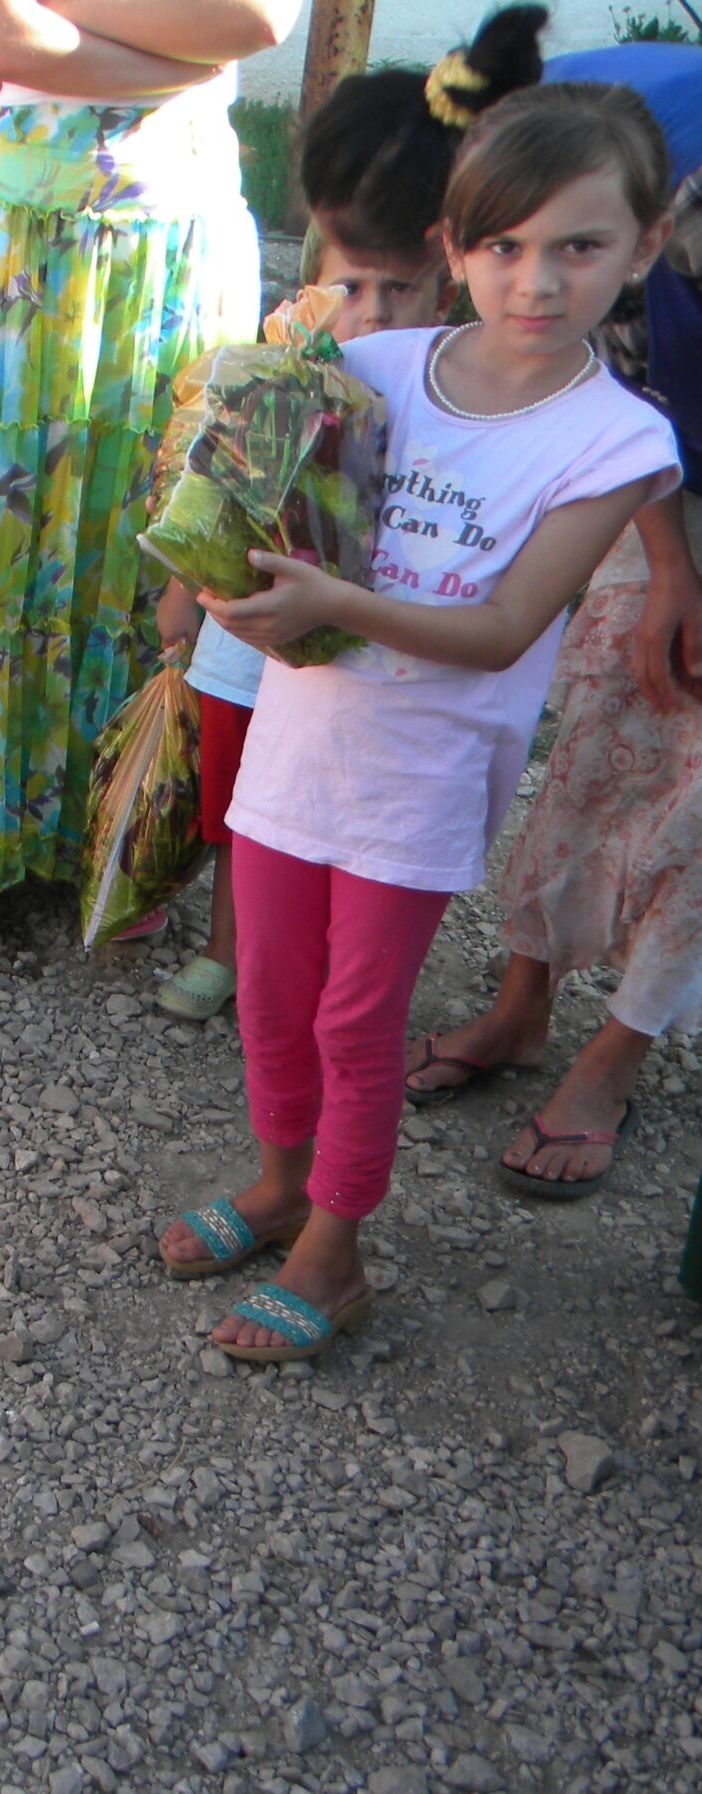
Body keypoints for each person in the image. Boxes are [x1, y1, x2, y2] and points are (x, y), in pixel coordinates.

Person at [158, 83, 680, 1365]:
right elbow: (261, 514)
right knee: (272, 998)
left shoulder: (616, 439)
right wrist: (213, 573)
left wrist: (341, 599)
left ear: (645, 248)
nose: (537, 281)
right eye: (502, 246)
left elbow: (505, 628)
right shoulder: (371, 366)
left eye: (579, 247)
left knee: (355, 1015)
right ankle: (278, 1182)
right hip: (295, 747)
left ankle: (334, 1253)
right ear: (452, 246)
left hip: (423, 779)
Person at [0, 0, 290, 946]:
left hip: (173, 234)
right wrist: (181, 61)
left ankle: (120, 815)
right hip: (26, 235)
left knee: (143, 516)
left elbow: (255, 21)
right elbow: (0, 41)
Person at [153, 8, 541, 1023]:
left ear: (450, 262)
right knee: (242, 798)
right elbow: (208, 480)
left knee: (348, 816)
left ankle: (326, 959)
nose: (364, 313)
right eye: (344, 281)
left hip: (379, 664)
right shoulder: (282, 351)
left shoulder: (459, 387)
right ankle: (233, 945)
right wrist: (176, 593)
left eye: (392, 288)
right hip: (251, 631)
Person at [400, 40, 702, 1201]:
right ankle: (519, 1005)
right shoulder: (658, 195)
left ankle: (614, 1053)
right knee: (596, 735)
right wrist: (668, 563)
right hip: (658, 486)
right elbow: (631, 380)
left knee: (695, 802)